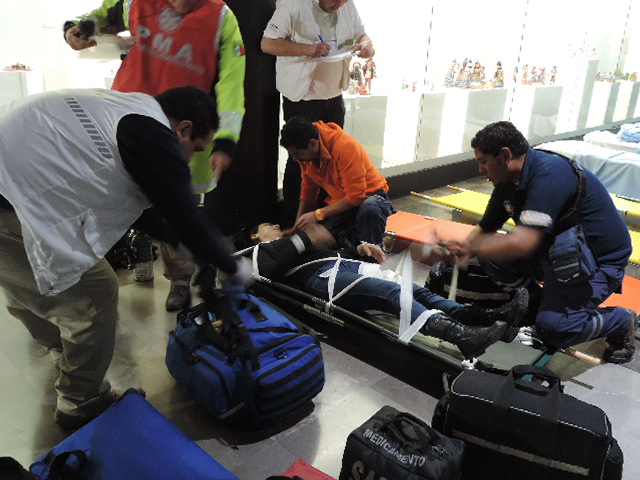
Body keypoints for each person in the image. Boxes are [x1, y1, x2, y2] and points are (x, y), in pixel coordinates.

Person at [0, 86, 252, 429]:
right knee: (96, 296)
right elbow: (185, 216)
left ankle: (63, 349)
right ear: (183, 128)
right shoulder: (151, 132)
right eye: (196, 149)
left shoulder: (127, 110)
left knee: (26, 283)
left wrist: (190, 248)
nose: (191, 159)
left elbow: (150, 214)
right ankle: (80, 401)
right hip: (9, 200)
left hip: (10, 187)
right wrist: (235, 267)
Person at [63, 0, 246, 311]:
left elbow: (232, 82)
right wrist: (76, 30)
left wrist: (225, 140)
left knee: (175, 210)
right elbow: (99, 17)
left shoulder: (221, 18)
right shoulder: (135, 2)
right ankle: (93, 281)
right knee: (114, 203)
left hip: (181, 132)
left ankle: (180, 278)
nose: (181, 5)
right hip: (126, 123)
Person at [443, 121, 638, 364]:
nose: (481, 170)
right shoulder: (507, 183)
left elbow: (524, 242)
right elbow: (485, 228)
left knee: (555, 330)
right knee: (490, 255)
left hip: (596, 262)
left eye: (483, 162)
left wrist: (471, 248)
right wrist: (463, 249)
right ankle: (537, 305)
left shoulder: (550, 174)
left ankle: (621, 321)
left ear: (505, 155)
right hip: (556, 253)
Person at [243, 222, 529, 360]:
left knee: (417, 291)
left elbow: (329, 253)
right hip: (320, 279)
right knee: (393, 294)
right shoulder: (256, 252)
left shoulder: (292, 244)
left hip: (342, 266)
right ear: (255, 235)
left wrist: (359, 249)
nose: (276, 225)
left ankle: (482, 318)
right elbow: (263, 270)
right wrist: (304, 238)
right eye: (268, 225)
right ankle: (460, 336)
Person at [261, 0, 375, 227]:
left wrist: (366, 45)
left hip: (334, 94)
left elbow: (363, 36)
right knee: (301, 161)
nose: (339, 5)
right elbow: (268, 44)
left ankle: (326, 217)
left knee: (332, 158)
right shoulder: (293, 5)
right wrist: (309, 49)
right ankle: (294, 221)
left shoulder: (347, 6)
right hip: (303, 96)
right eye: (335, 0)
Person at [280, 115, 392, 247]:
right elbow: (308, 193)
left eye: (297, 154)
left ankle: (372, 255)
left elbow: (356, 196)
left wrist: (318, 215)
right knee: (320, 239)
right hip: (343, 202)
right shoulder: (307, 155)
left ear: (313, 143)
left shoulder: (345, 147)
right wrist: (296, 228)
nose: (295, 159)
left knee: (369, 209)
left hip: (371, 196)